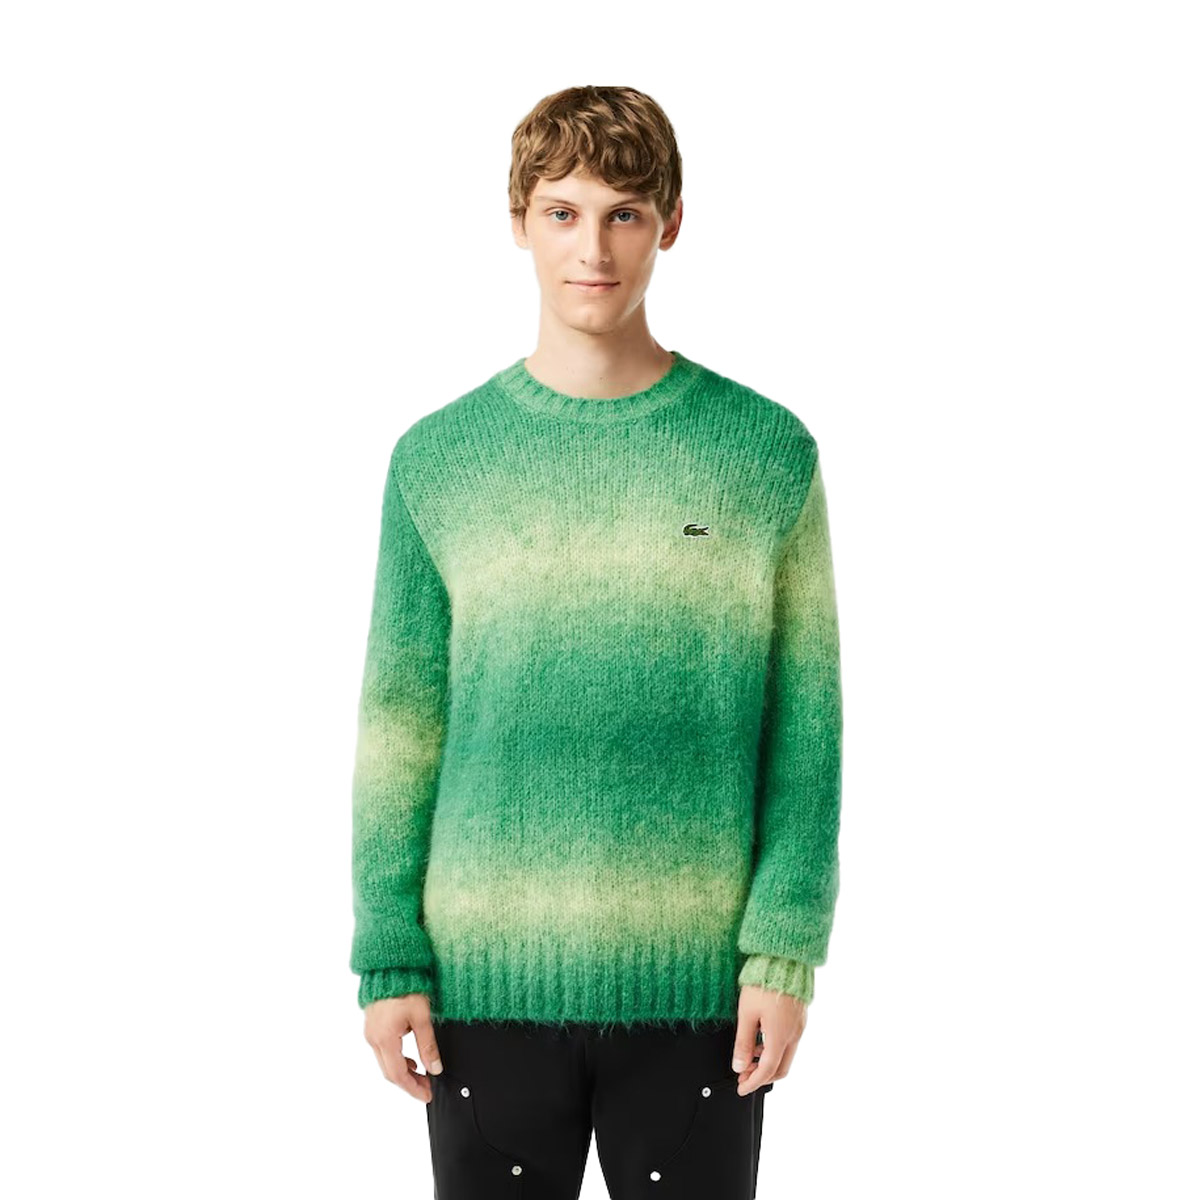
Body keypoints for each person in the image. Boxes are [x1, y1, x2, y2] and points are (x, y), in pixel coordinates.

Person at [349, 84, 843, 1199]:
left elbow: (806, 727)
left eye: (625, 213)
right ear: (518, 222)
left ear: (672, 223)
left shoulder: (765, 454)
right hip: (483, 988)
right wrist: (388, 956)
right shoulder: (439, 461)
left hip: (702, 994)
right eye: (563, 213)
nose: (594, 248)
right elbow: (399, 729)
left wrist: (785, 951)